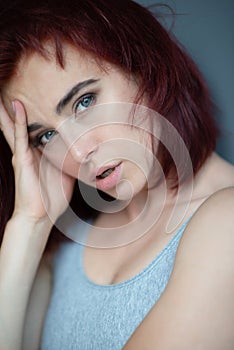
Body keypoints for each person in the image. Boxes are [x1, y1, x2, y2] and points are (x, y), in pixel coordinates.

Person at [0, 0, 233, 349]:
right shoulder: (70, 237)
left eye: (84, 102)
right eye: (46, 136)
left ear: (143, 67)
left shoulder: (226, 225)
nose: (78, 152)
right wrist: (28, 226)